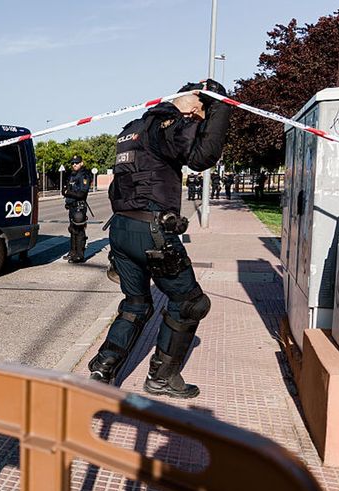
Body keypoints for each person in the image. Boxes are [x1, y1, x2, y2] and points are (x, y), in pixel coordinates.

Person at [89, 79, 231, 398]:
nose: (198, 122)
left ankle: (102, 368)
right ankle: (162, 377)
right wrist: (222, 107)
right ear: (196, 104)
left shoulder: (133, 127)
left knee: (137, 303)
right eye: (201, 115)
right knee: (192, 302)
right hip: (152, 232)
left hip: (121, 229)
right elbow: (202, 157)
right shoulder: (168, 125)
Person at [63, 155, 94, 263]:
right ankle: (72, 252)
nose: (74, 165)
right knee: (72, 229)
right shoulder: (73, 175)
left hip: (79, 206)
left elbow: (82, 193)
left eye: (76, 162)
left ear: (81, 163)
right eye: (73, 163)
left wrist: (68, 193)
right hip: (72, 205)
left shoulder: (84, 175)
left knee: (79, 230)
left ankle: (79, 255)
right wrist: (67, 200)